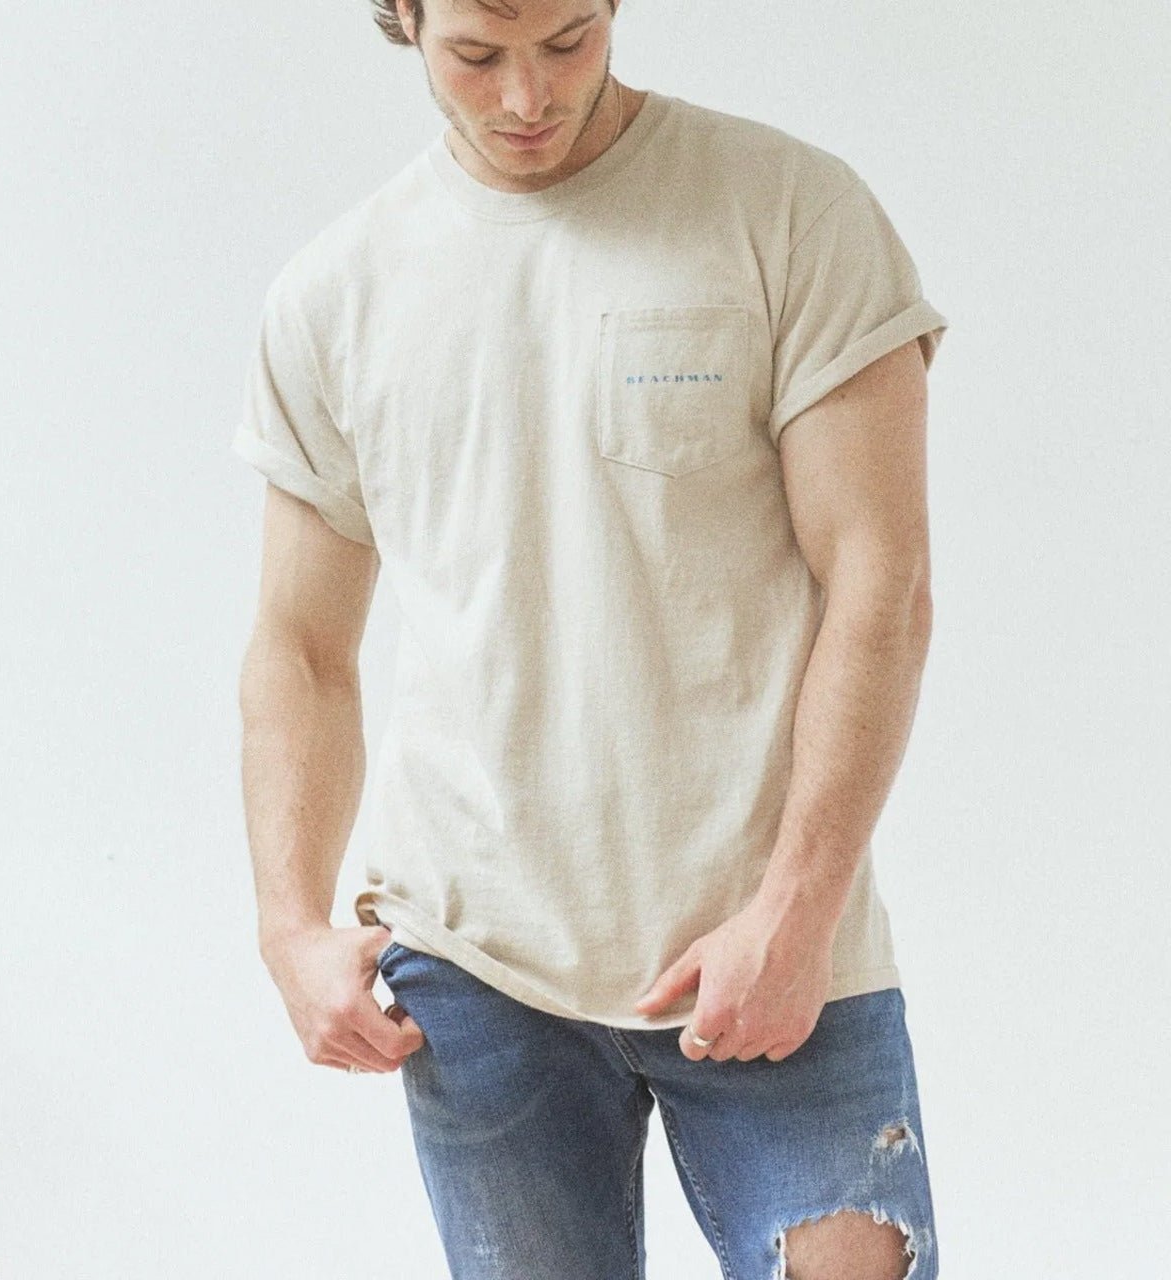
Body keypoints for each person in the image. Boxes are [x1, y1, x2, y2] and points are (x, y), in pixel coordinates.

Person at [232, 1, 948, 1275]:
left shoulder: (787, 213)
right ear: (406, 17)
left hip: (770, 942)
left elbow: (878, 585)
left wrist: (795, 909)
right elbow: (298, 645)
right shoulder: (336, 293)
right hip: (475, 963)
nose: (526, 97)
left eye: (566, 41)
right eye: (475, 55)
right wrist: (289, 924)